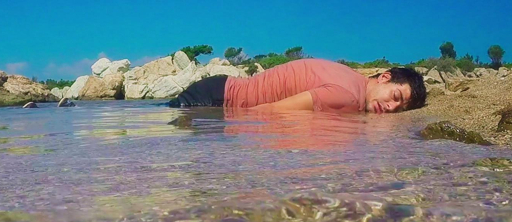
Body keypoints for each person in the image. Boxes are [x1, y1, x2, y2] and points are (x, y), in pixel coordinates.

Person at [168, 58, 426, 114]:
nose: (392, 107)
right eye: (395, 95)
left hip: (217, 89)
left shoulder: (350, 77)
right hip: (217, 101)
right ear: (384, 77)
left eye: (399, 107)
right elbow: (270, 111)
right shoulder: (348, 97)